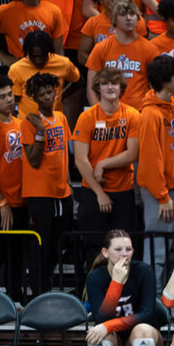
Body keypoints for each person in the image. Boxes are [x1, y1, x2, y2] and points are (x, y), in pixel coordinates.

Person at [73, 68, 140, 257]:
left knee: (124, 249)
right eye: (105, 83)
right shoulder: (87, 117)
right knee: (94, 249)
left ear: (121, 88)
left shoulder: (133, 115)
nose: (110, 87)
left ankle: (122, 287)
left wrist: (103, 164)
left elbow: (133, 153)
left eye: (114, 83)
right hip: (93, 190)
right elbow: (80, 159)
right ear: (97, 88)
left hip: (123, 190)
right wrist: (99, 193)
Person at [135, 55, 174, 287]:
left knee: (169, 249)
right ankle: (152, 300)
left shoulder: (173, 104)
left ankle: (165, 297)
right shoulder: (150, 115)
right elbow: (149, 160)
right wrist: (162, 195)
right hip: (160, 193)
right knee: (156, 248)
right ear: (165, 80)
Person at [20, 72, 72, 294]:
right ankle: (38, 292)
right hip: (39, 193)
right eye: (41, 95)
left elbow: (64, 155)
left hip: (62, 191)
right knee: (41, 246)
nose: (47, 97)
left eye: (49, 92)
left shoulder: (61, 118)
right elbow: (32, 159)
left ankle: (48, 284)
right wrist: (41, 132)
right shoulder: (29, 122)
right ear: (35, 98)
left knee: (58, 244)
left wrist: (69, 186)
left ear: (56, 91)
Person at [84, 0, 157, 109]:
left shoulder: (150, 49)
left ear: (137, 18)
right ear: (114, 20)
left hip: (139, 112)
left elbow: (155, 88)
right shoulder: (101, 48)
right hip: (110, 112)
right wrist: (99, 111)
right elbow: (91, 86)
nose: (128, 18)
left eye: (132, 14)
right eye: (123, 14)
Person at [0, 76, 27, 302]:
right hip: (0, 203)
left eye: (10, 95)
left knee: (18, 255)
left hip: (22, 200)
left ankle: (16, 301)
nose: (9, 100)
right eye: (2, 97)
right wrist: (2, 203)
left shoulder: (20, 122)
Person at [0, 0, 66, 65]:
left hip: (47, 66)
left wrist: (60, 71)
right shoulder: (6, 11)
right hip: (20, 68)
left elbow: (59, 51)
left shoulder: (54, 10)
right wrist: (5, 58)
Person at [9, 31, 80, 120]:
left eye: (42, 56)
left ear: (48, 51)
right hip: (28, 123)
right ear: (27, 53)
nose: (38, 60)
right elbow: (13, 100)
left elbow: (78, 81)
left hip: (54, 123)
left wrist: (63, 95)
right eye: (33, 57)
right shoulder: (16, 69)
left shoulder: (63, 64)